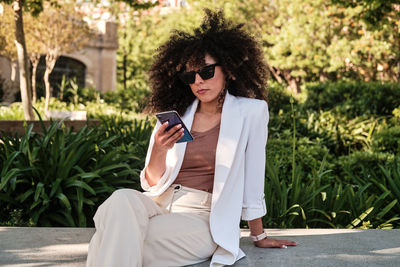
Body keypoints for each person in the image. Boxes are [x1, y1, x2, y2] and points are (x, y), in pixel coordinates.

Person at [86, 9, 296, 267]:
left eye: (206, 72)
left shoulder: (250, 112)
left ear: (228, 70)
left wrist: (258, 234)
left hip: (203, 218)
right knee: (120, 199)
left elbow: (253, 175)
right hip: (158, 204)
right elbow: (150, 185)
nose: (198, 81)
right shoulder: (175, 115)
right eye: (189, 76)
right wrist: (160, 150)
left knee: (110, 238)